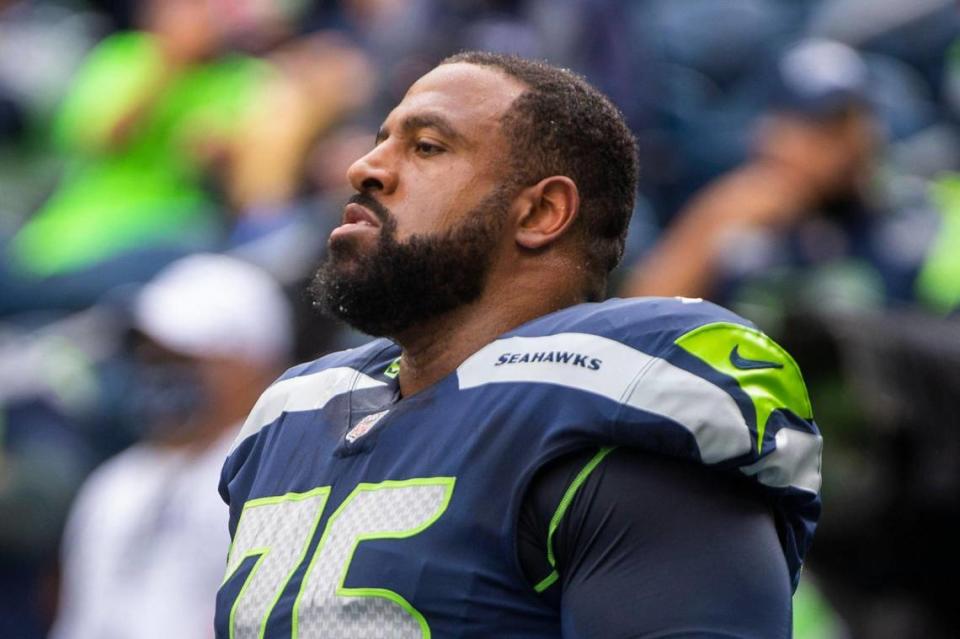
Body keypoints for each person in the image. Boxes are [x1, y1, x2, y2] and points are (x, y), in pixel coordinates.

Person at [216, 52, 821, 638]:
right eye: (382, 137)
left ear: (541, 213)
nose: (365, 167)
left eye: (427, 146)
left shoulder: (617, 416)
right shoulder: (293, 419)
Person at [52, 254, 292, 639]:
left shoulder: (283, 475)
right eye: (150, 353)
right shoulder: (113, 484)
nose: (158, 369)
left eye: (182, 356)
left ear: (252, 359)